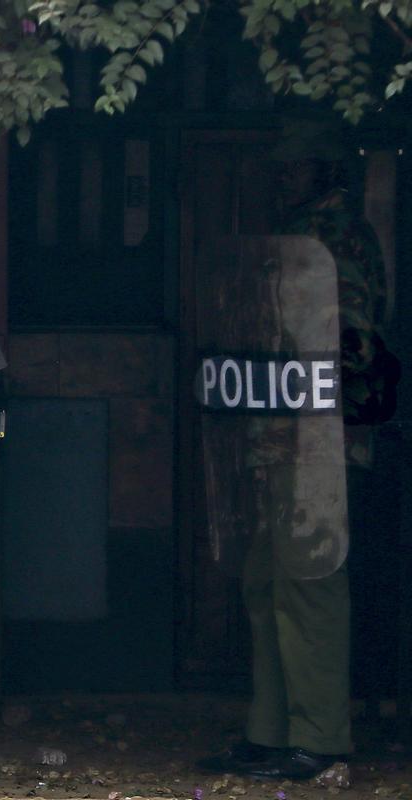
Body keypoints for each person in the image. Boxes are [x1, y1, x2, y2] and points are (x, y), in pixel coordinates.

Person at [200, 124, 391, 780]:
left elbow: (349, 337)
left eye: (296, 165)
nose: (282, 176)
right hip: (282, 428)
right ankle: (275, 733)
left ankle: (318, 737)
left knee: (308, 581)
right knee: (268, 580)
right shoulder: (301, 231)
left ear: (325, 169)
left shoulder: (334, 238)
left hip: (316, 434)